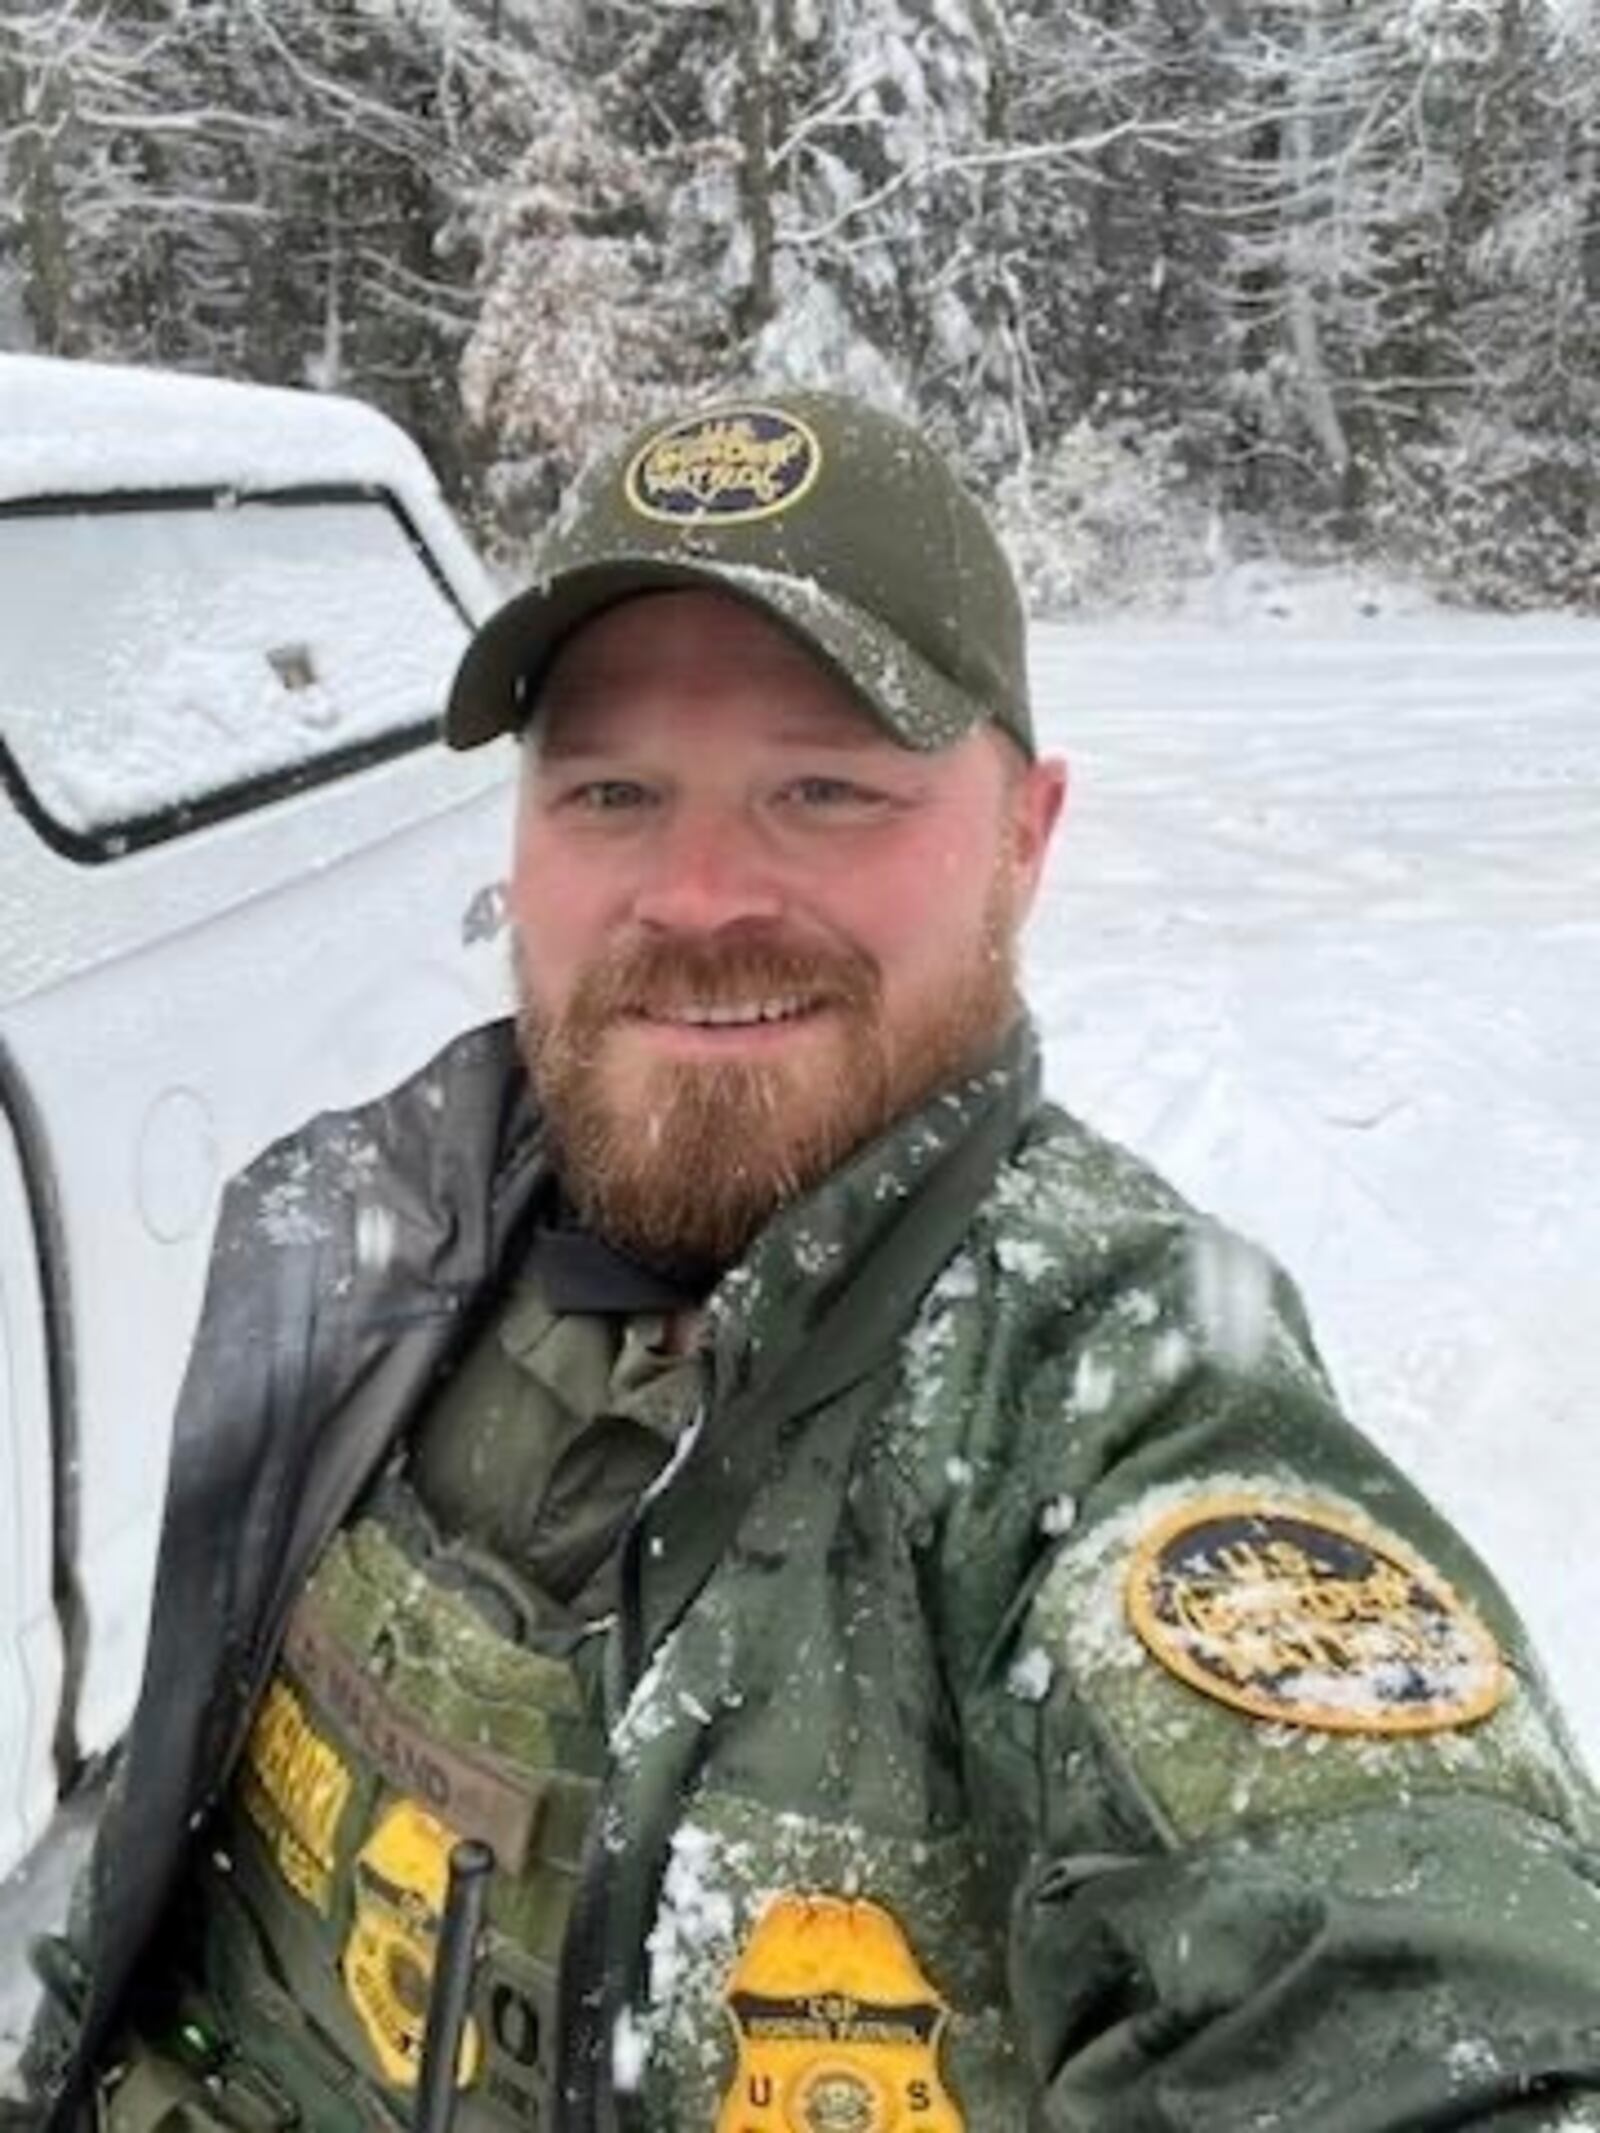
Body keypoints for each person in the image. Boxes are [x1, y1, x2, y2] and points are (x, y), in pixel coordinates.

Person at [19, 390, 1600, 2133]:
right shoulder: (363, 1241)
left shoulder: (1106, 1401)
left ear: (1027, 834)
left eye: (827, 788)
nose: (697, 896)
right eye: (612, 788)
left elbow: (1407, 1988)